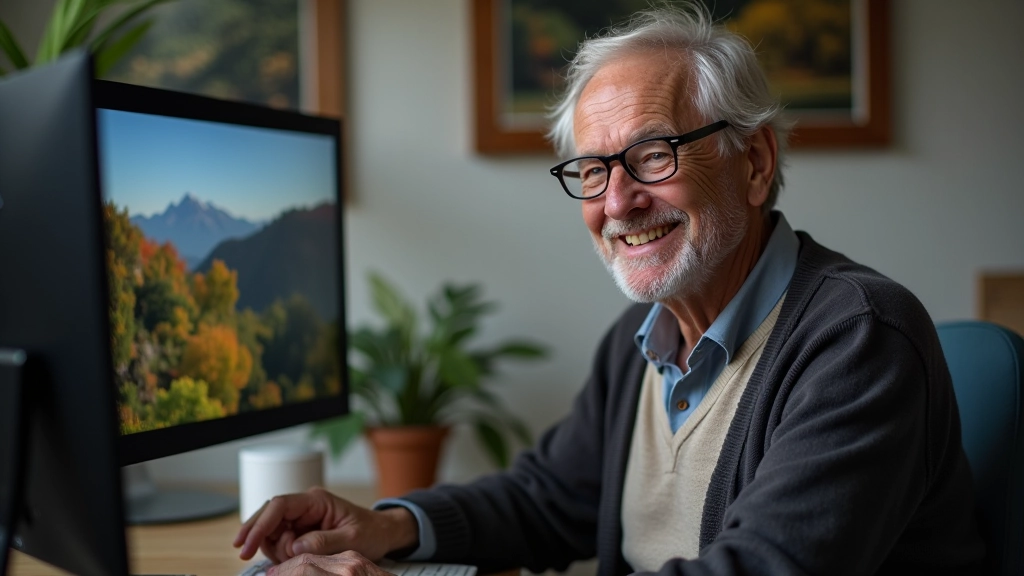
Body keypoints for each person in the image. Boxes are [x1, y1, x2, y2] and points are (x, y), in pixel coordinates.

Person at [234, 4, 985, 575]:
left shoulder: (859, 337)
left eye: (652, 155)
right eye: (593, 170)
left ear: (753, 163)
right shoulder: (643, 343)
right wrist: (387, 526)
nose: (617, 201)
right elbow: (546, 498)